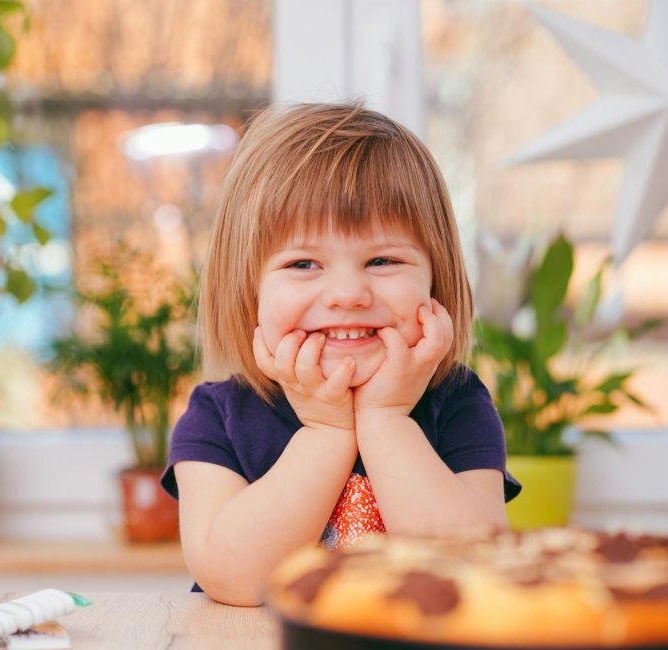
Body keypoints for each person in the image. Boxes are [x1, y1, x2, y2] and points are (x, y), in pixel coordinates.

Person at [159, 102, 521, 607]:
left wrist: (386, 420)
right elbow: (234, 579)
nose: (348, 293)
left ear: (436, 280)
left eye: (383, 260)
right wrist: (327, 431)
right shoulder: (217, 416)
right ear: (249, 290)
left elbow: (473, 573)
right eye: (304, 263)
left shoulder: (457, 402)